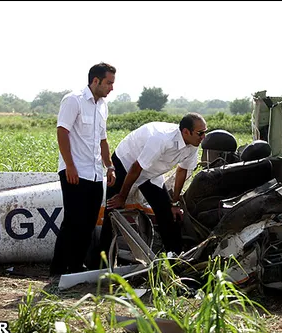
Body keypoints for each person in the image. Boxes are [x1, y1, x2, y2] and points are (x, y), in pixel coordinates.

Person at [96, 113, 207, 265]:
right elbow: (136, 168)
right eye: (200, 133)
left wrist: (174, 203)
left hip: (152, 172)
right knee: (112, 211)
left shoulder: (192, 145)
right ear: (186, 132)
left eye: (205, 132)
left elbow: (182, 171)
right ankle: (101, 263)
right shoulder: (162, 139)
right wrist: (122, 196)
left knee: (167, 213)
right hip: (127, 163)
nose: (203, 137)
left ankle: (174, 259)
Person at [49, 62, 117, 277]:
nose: (111, 88)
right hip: (75, 171)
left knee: (88, 223)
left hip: (95, 174)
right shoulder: (73, 100)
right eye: (108, 83)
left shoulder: (103, 105)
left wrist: (109, 166)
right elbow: (62, 132)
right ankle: (58, 270)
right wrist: (69, 166)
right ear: (95, 80)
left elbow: (103, 140)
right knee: (73, 221)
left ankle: (76, 267)